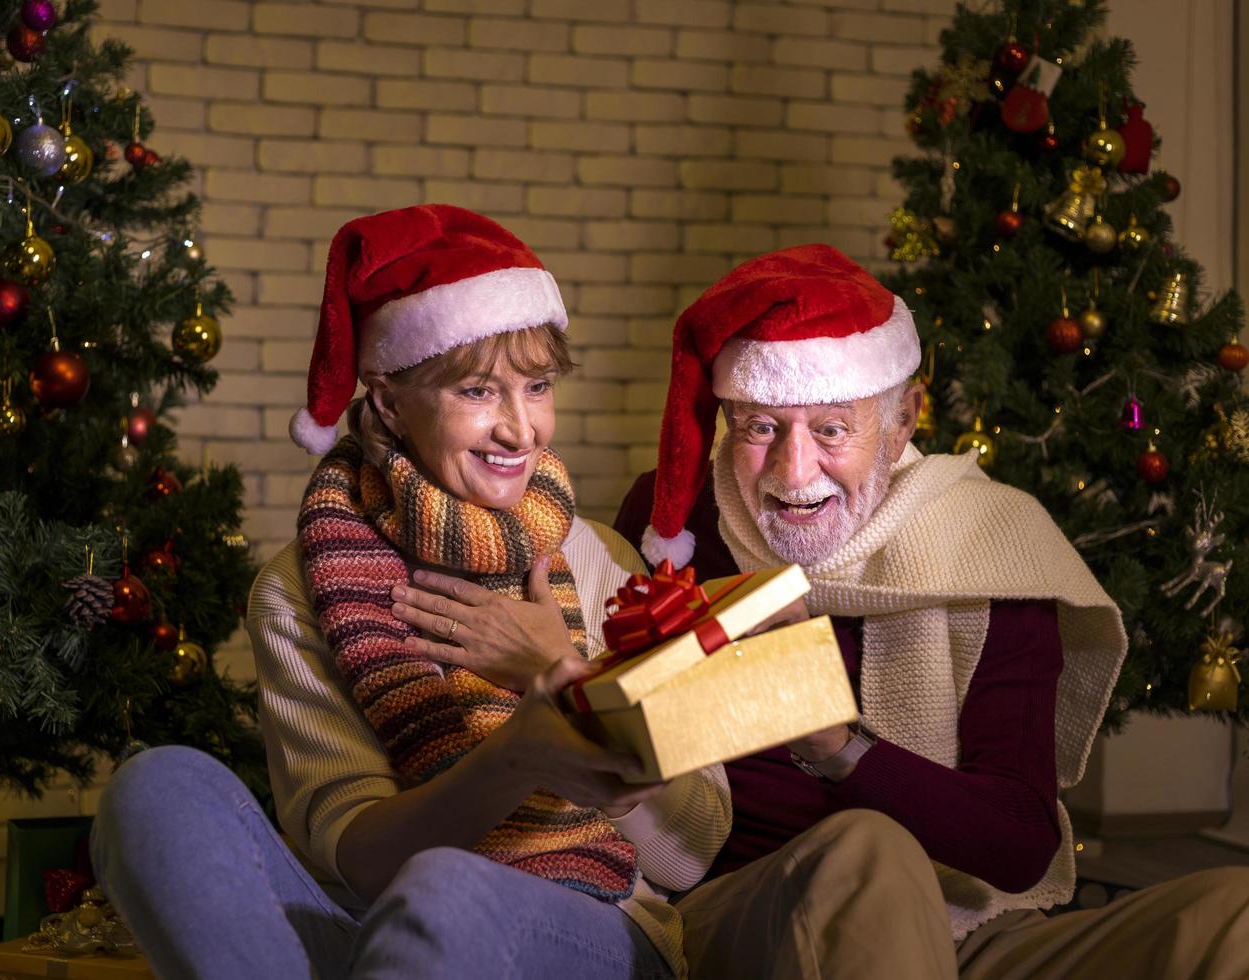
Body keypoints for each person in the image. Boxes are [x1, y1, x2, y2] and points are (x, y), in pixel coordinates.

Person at [92, 204, 729, 980]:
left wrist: (563, 674)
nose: (521, 430)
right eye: (477, 393)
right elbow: (359, 859)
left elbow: (693, 853)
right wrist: (513, 760)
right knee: (157, 789)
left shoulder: (599, 560)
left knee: (447, 890)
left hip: (589, 926)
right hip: (366, 927)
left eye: (536, 386)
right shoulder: (300, 590)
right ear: (389, 401)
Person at [614, 243, 1249, 979]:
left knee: (1231, 915)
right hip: (746, 913)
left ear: (903, 418)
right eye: (761, 428)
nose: (793, 474)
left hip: (964, 930)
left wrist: (836, 744)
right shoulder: (676, 521)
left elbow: (1018, 844)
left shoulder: (989, 547)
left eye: (830, 429)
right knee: (870, 851)